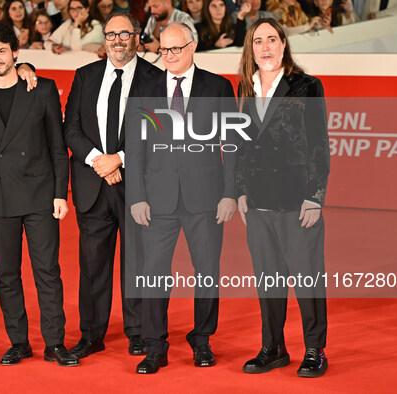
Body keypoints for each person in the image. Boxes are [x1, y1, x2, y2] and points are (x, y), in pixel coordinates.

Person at [127, 22, 238, 374]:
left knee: (207, 272)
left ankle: (203, 340)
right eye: (163, 49)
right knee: (153, 273)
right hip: (156, 200)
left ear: (192, 47)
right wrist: (137, 196)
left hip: (205, 198)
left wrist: (229, 193)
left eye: (176, 49)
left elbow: (232, 145)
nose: (169, 56)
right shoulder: (144, 86)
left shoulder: (218, 87)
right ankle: (155, 346)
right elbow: (136, 145)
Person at [0, 22, 78, 367]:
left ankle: (55, 343)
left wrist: (61, 193)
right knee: (7, 274)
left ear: (16, 52)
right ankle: (18, 342)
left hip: (40, 194)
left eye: (1, 51)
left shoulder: (42, 89)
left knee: (47, 271)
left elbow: (58, 147)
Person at [63, 11, 162, 360]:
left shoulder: (155, 78)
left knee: (138, 261)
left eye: (125, 34)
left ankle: (138, 332)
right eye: (111, 34)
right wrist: (97, 160)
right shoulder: (85, 76)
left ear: (137, 37)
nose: (117, 40)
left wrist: (119, 158)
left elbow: (158, 128)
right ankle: (91, 333)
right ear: (104, 39)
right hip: (93, 184)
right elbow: (70, 127)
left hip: (138, 186)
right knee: (92, 265)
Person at [235, 18, 330, 378]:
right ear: (251, 48)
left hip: (297, 202)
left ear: (284, 43)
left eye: (271, 39)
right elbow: (240, 145)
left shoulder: (307, 86)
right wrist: (240, 191)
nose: (265, 47)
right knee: (268, 280)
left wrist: (315, 196)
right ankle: (273, 347)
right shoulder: (244, 87)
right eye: (258, 41)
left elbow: (320, 145)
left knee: (307, 279)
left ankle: (314, 349)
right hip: (258, 204)